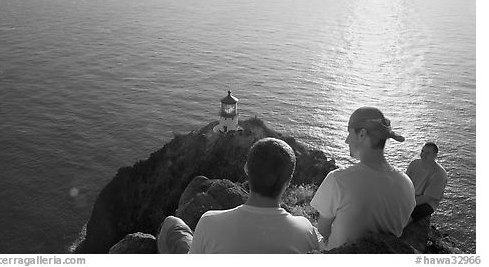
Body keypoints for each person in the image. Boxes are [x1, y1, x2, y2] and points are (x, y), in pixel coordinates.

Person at [157, 137, 322, 253]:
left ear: (246, 169)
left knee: (172, 222)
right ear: (288, 181)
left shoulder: (210, 222)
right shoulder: (306, 231)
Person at [310, 107, 416, 250]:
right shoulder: (406, 183)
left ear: (362, 134)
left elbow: (323, 230)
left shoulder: (338, 179)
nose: (347, 140)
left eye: (349, 133)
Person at [406, 142, 447, 222]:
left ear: (435, 156)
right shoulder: (414, 164)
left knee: (405, 218)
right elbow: (405, 183)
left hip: (427, 203)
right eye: (422, 151)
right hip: (410, 197)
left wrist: (406, 203)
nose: (423, 155)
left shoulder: (440, 174)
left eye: (427, 153)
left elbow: (426, 198)